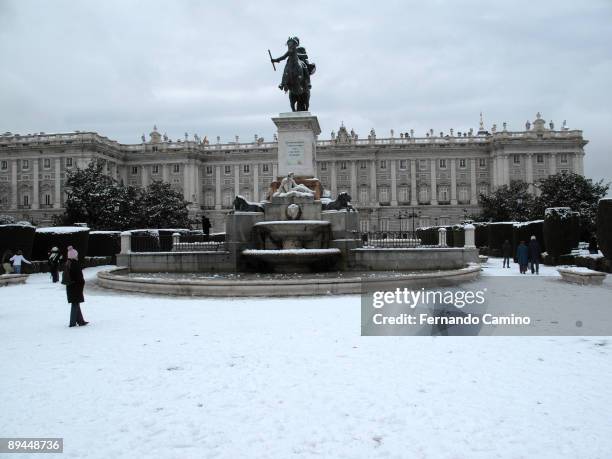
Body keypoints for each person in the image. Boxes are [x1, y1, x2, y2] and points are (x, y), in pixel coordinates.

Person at [62, 246, 88, 327]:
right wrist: (82, 283)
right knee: (75, 304)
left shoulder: (68, 263)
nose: (77, 256)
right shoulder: (75, 264)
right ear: (74, 255)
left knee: (76, 303)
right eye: (76, 254)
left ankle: (81, 321)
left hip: (70, 286)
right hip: (76, 286)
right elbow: (79, 277)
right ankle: (72, 323)